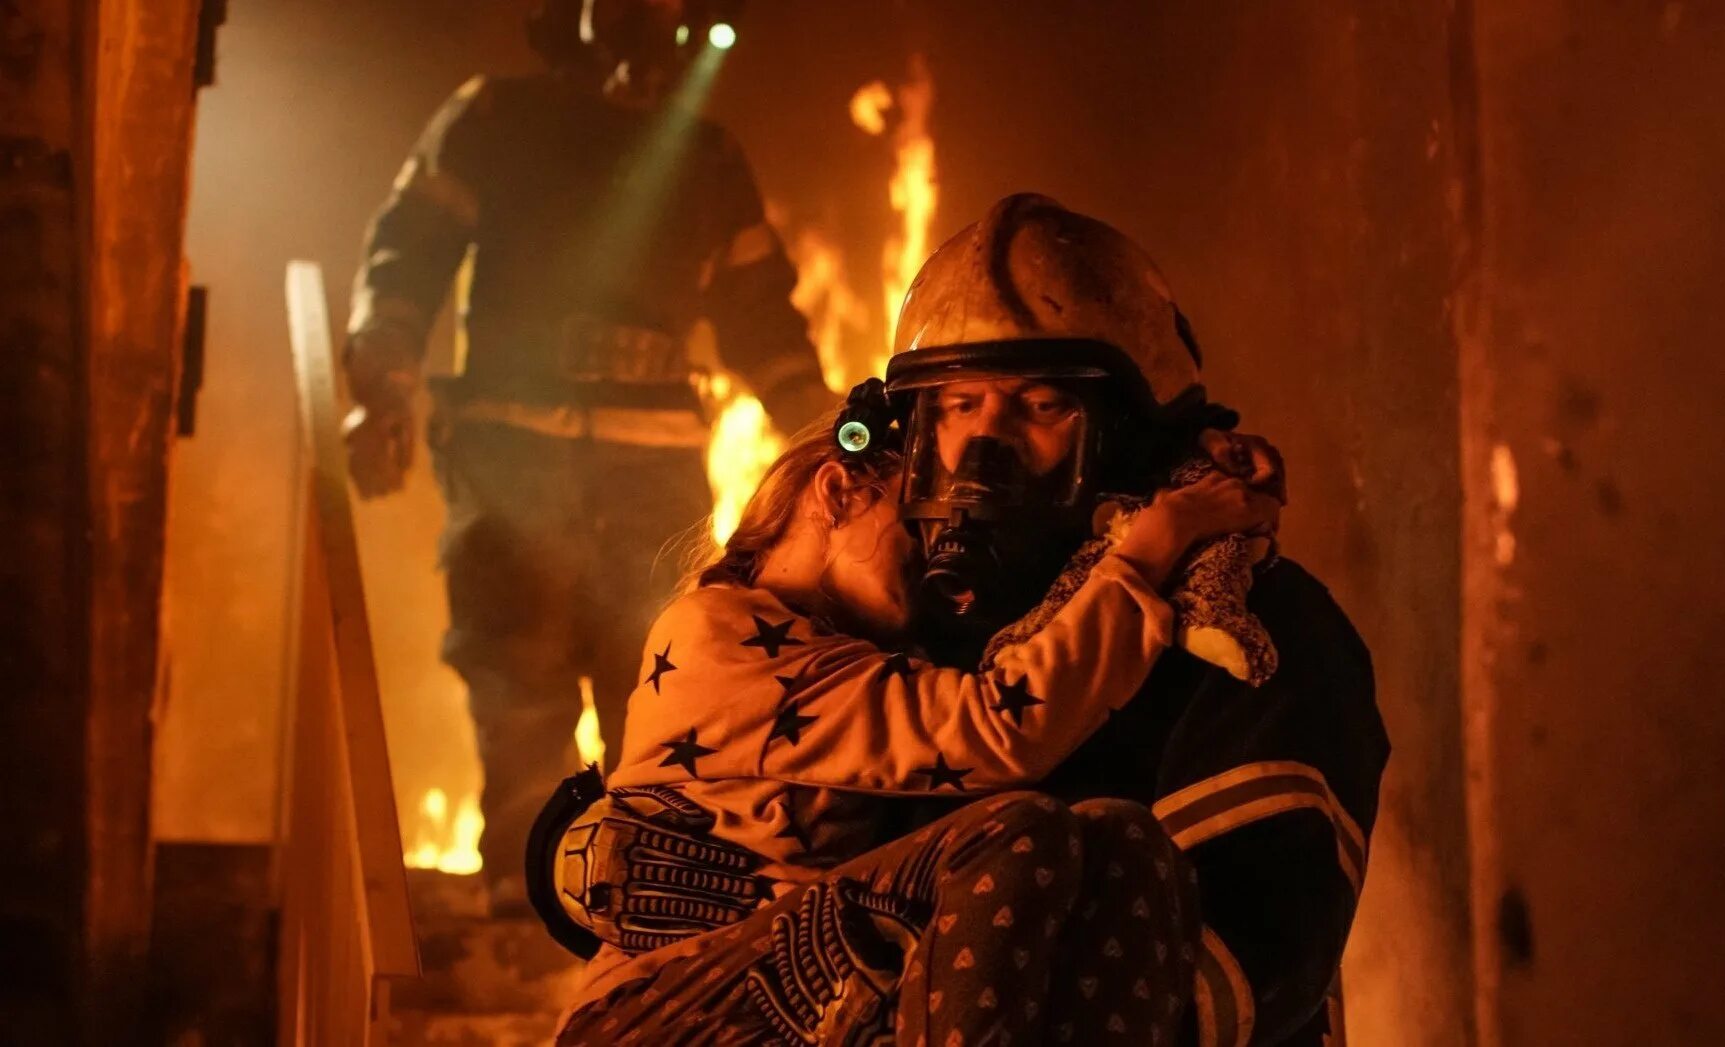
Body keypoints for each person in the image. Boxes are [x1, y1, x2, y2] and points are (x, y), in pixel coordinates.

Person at [539, 415, 1280, 1043]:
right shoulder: (716, 629)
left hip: (791, 999)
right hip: (657, 1018)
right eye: (913, 526)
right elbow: (1000, 727)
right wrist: (1159, 536)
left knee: (1123, 839)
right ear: (837, 490)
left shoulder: (845, 654)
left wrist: (1175, 481)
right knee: (1016, 834)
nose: (934, 554)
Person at [340, 0, 830, 905]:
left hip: (646, 471)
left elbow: (766, 321)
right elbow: (406, 255)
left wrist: (837, 437)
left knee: (653, 685)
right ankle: (529, 903)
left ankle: (641, 903)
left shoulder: (706, 156)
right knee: (516, 675)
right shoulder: (497, 116)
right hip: (510, 457)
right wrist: (381, 378)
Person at [878, 194, 1388, 1045]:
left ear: (1132, 434)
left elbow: (1238, 960)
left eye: (1041, 408)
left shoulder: (1262, 634)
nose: (982, 452)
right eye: (959, 407)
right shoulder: (910, 623)